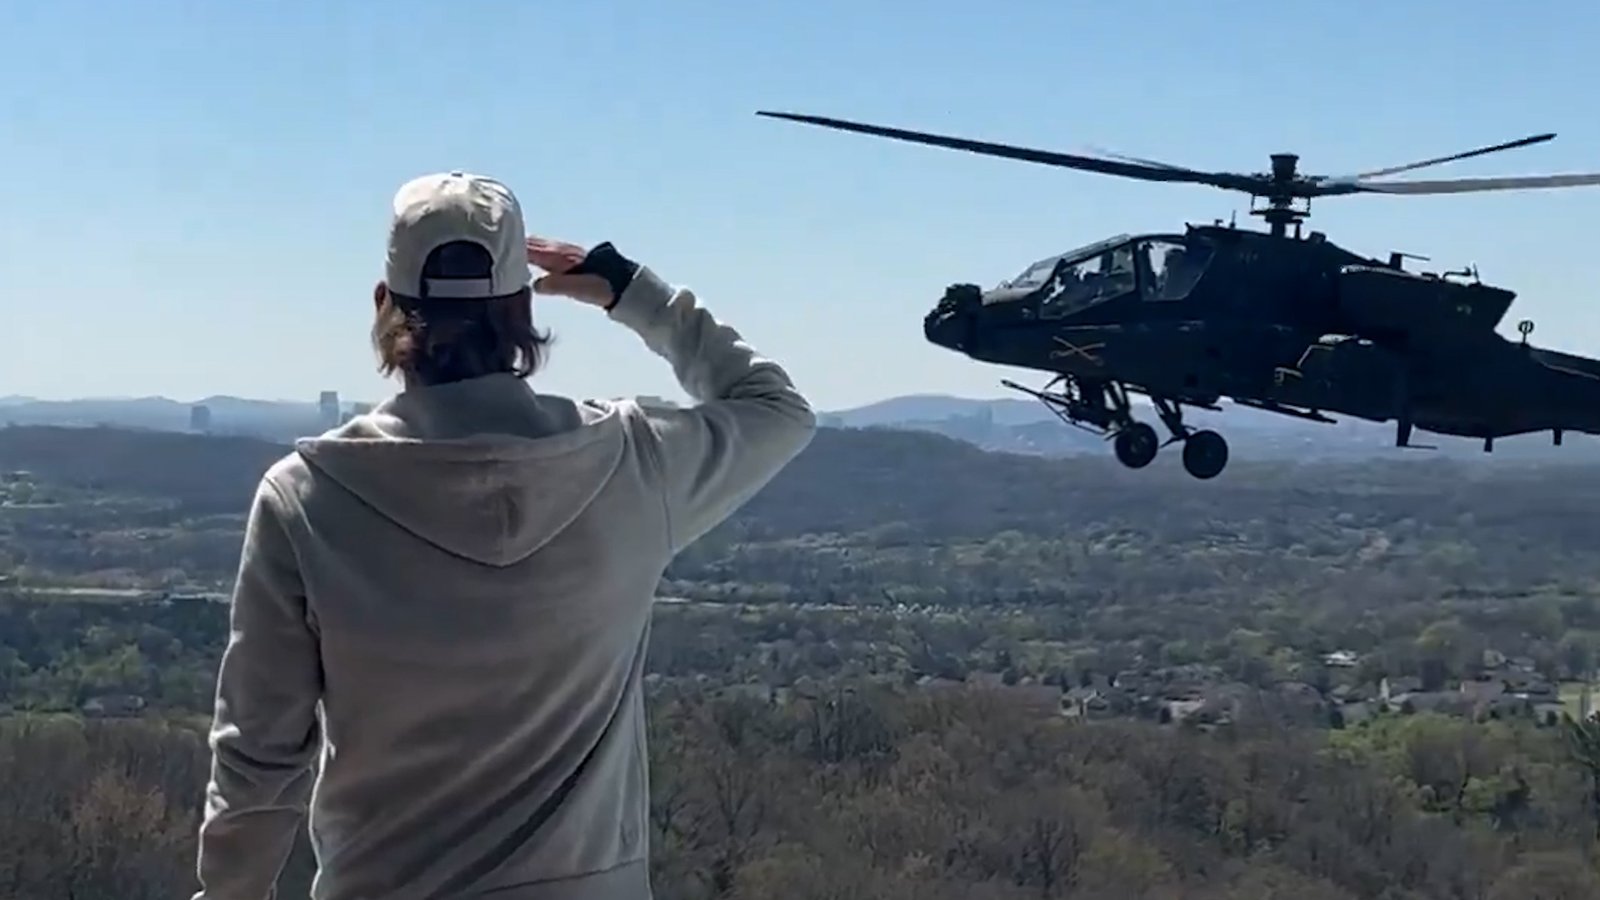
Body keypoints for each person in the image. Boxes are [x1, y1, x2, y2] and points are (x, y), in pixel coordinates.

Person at [193, 171, 817, 899]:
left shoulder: (308, 498)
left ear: (384, 303)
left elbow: (260, 756)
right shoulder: (630, 462)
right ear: (523, 308)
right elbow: (777, 408)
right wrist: (631, 291)